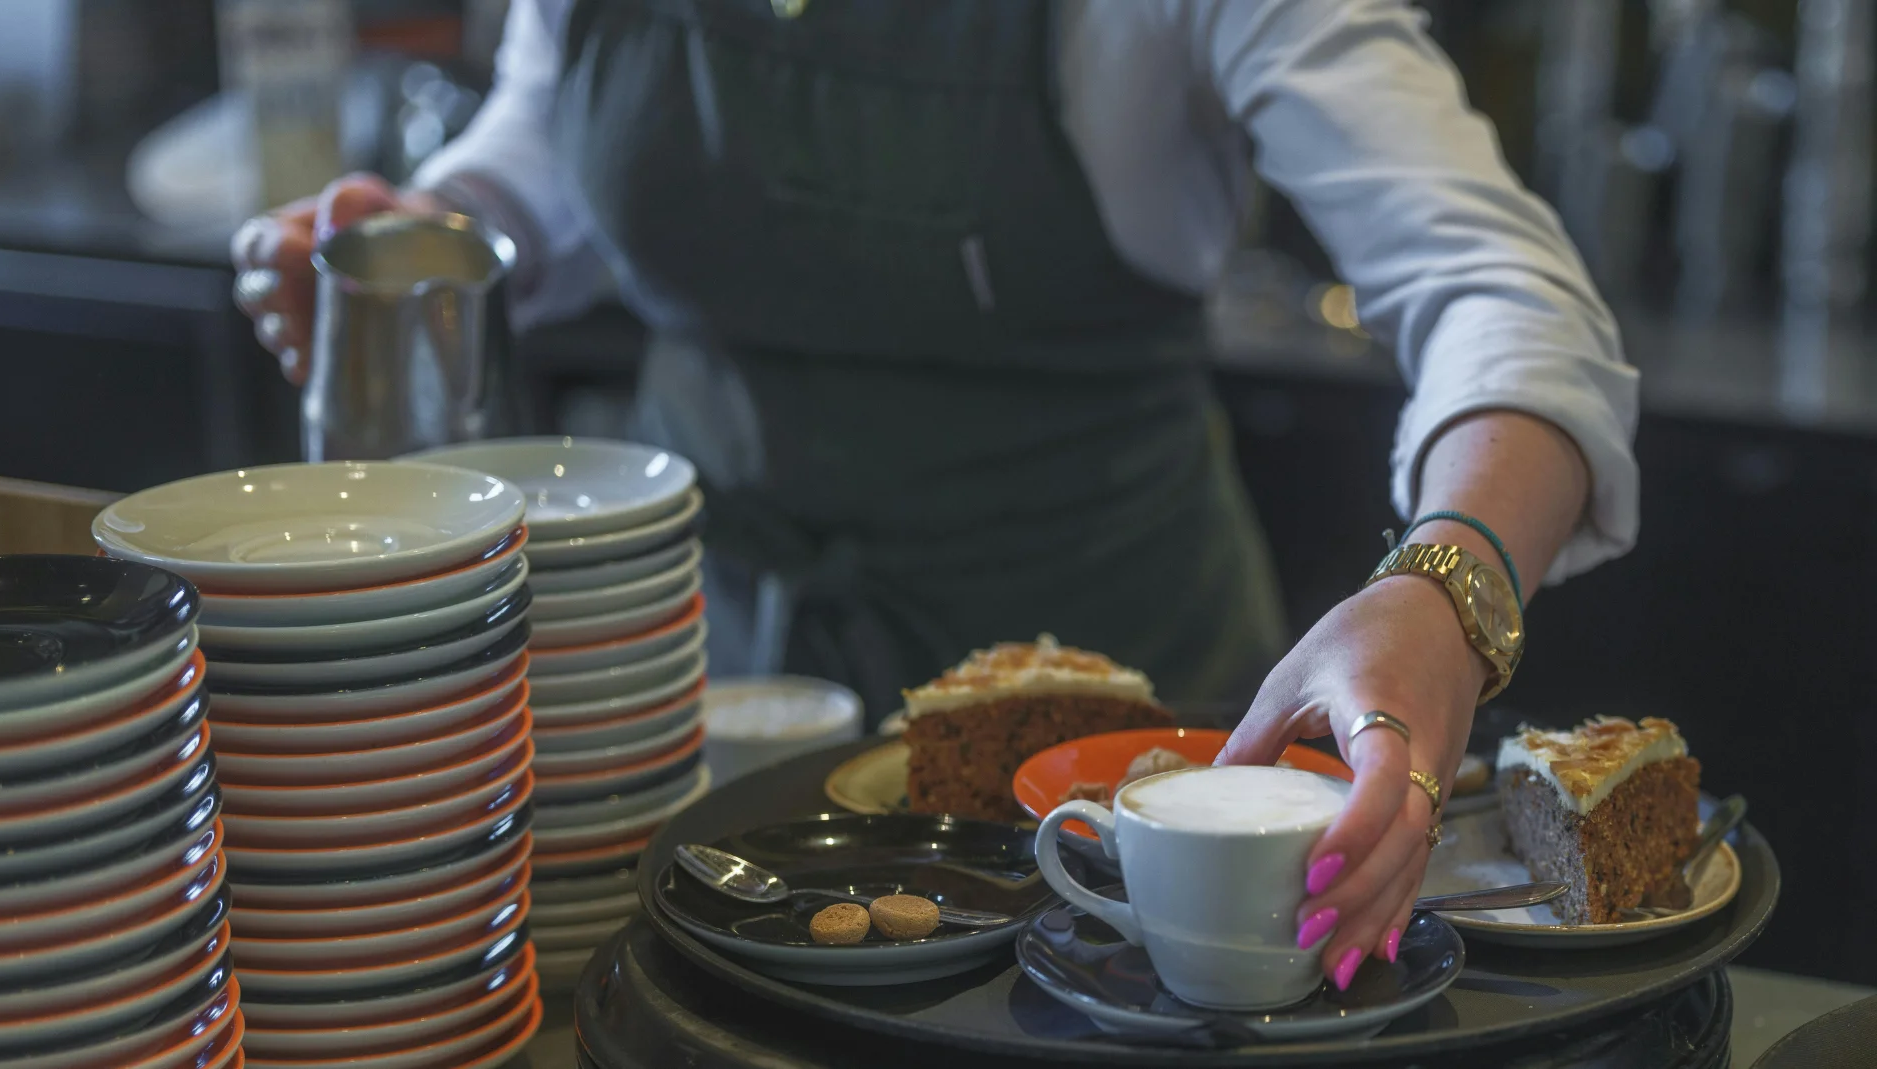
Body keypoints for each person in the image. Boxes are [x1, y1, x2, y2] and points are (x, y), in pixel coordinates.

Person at [232, 0, 1637, 994]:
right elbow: (560, 141)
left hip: (1117, 760)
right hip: (707, 713)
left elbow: (1503, 291)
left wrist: (1446, 590)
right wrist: (428, 241)